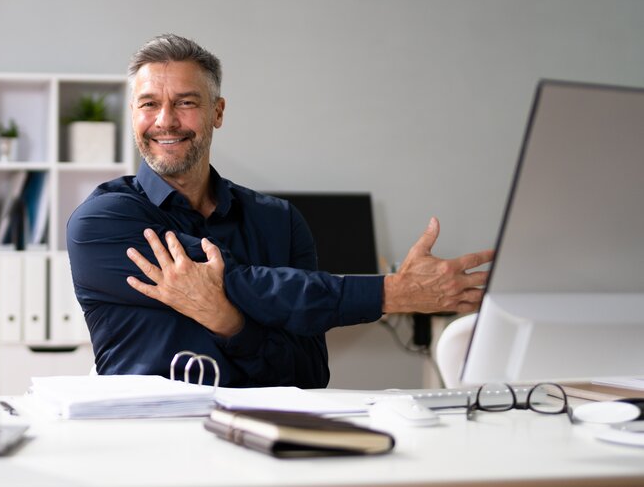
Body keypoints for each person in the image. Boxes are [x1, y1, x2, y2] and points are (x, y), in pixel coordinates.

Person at [66, 34, 493, 388]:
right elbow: (242, 281)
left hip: (265, 446)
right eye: (148, 104)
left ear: (217, 112)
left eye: (185, 102)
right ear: (133, 113)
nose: (165, 120)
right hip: (146, 444)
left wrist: (231, 324)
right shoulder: (102, 222)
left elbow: (308, 375)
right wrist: (391, 292)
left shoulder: (279, 221)